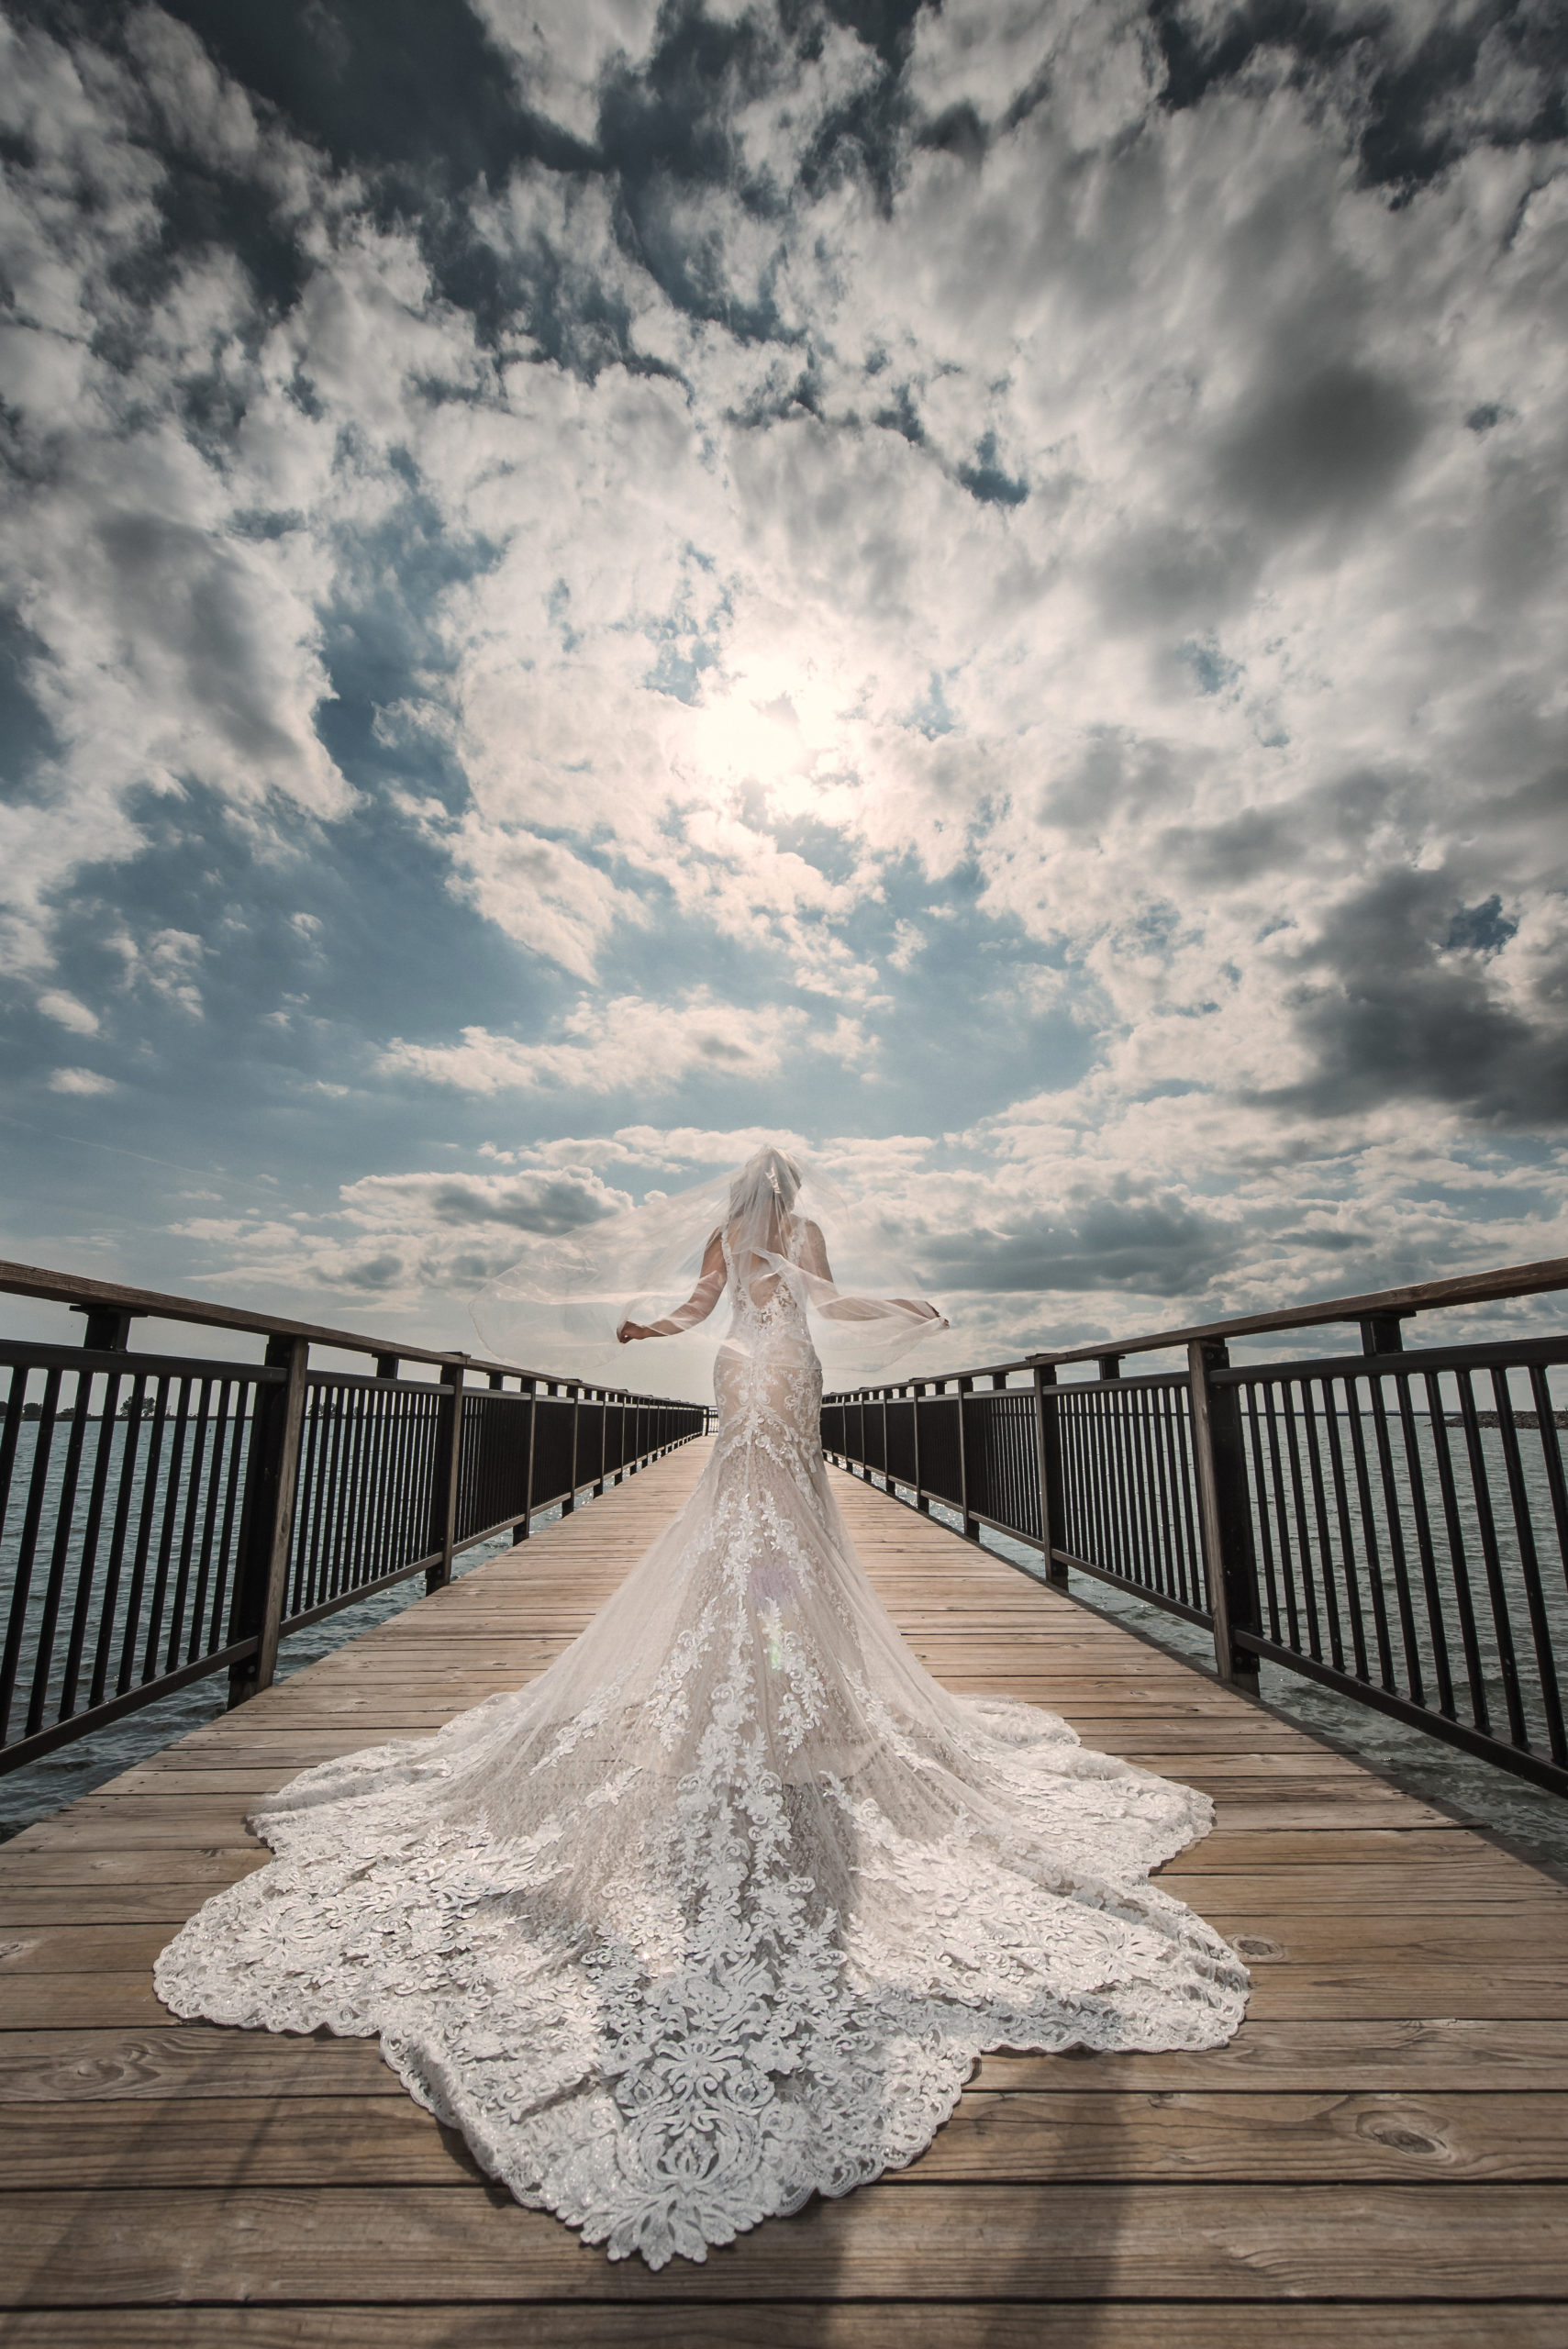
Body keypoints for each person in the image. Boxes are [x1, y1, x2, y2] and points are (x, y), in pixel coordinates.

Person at [155, 1144, 1247, 2268]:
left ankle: (751, 1684)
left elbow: (691, 1308)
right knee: (786, 1540)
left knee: (749, 1538)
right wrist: (907, 1305)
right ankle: (783, 1692)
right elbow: (825, 1302)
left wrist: (645, 1332)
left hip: (738, 1372)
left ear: (737, 1197)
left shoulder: (725, 1241)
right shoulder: (797, 1236)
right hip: (781, 1374)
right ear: (788, 1193)